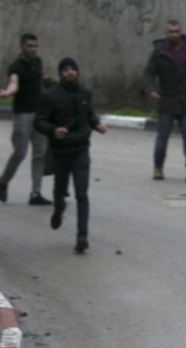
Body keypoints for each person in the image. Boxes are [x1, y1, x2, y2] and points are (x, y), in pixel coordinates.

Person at [35, 57, 107, 254]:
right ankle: (59, 210)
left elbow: (89, 115)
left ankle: (82, 236)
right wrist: (53, 130)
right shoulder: (50, 95)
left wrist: (97, 124)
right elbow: (39, 121)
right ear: (60, 73)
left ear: (77, 72)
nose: (70, 72)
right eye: (65, 69)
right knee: (59, 191)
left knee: (82, 193)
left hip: (81, 149)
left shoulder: (85, 93)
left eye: (73, 69)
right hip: (60, 151)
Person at [143, 19, 186, 182]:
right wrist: (151, 89)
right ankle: (158, 167)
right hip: (166, 101)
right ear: (166, 34)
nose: (174, 34)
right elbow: (148, 73)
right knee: (163, 136)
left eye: (177, 31)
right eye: (171, 32)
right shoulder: (159, 52)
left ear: (181, 32)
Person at [0, 33, 51, 206]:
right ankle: (3, 181)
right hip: (22, 115)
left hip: (39, 114)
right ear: (21, 47)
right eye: (29, 46)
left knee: (40, 153)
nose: (33, 49)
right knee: (20, 153)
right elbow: (14, 83)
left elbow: (42, 78)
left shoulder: (37, 62)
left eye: (35, 46)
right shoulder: (16, 66)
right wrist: (8, 92)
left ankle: (35, 193)